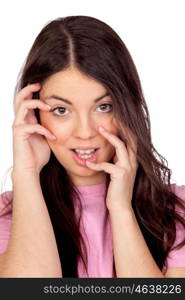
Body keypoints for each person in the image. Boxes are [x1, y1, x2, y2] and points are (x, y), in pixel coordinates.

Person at [0, 15, 185, 278]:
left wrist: (121, 211)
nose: (85, 132)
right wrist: (26, 173)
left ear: (127, 107)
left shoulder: (177, 212)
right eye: (61, 110)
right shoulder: (9, 216)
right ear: (34, 113)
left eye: (103, 107)